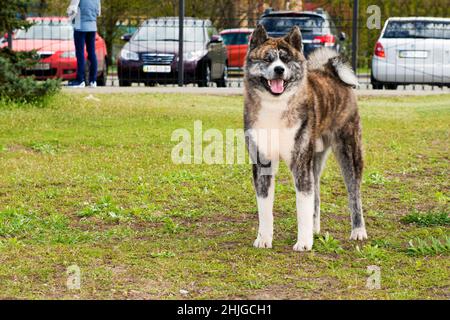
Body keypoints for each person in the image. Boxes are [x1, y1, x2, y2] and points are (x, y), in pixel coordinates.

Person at [67, 0, 101, 88]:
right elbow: (98, 12)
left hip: (80, 26)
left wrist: (70, 16)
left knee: (80, 53)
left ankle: (80, 80)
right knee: (92, 53)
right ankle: (93, 80)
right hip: (92, 27)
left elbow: (72, 9)